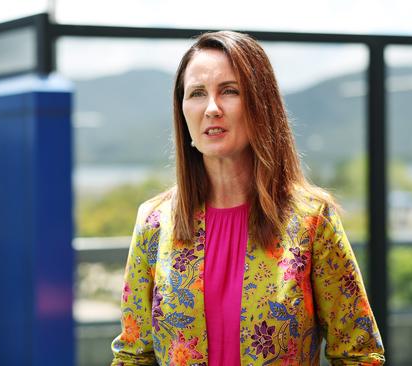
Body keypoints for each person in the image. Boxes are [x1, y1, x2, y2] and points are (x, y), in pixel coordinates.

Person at [111, 30, 385, 366]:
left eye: (229, 91)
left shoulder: (312, 220)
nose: (212, 108)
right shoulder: (154, 222)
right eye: (196, 93)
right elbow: (133, 356)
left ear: (261, 103)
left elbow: (360, 354)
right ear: (182, 111)